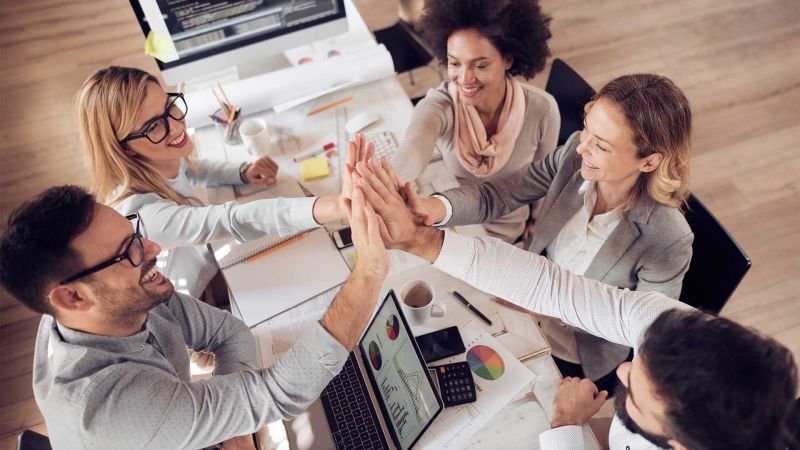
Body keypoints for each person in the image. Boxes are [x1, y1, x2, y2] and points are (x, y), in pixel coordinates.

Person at [351, 159, 798, 450]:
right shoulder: (668, 326)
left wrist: (566, 427)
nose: (623, 369)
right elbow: (553, 288)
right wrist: (423, 240)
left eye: (637, 394)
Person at [0, 183, 387, 449]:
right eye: (127, 251)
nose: (151, 248)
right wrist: (368, 274)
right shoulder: (109, 406)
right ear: (71, 297)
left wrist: (235, 427)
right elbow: (278, 393)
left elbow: (230, 332)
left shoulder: (119, 298)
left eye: (135, 233)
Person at [398, 74, 694, 394]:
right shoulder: (574, 157)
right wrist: (433, 208)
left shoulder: (668, 239)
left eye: (601, 145)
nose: (582, 146)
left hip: (575, 350)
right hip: (521, 298)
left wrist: (542, 304)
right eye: (587, 130)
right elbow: (498, 195)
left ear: (650, 161)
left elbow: (651, 336)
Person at [77, 66, 373, 300]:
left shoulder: (155, 160)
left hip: (206, 266)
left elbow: (190, 170)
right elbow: (232, 219)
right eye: (154, 126)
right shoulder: (146, 218)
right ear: (124, 147)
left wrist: (241, 171)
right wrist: (336, 204)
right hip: (188, 299)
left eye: (170, 107)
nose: (176, 126)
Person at [391, 0, 560, 243]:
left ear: (508, 60)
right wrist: (385, 182)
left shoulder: (542, 110)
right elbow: (414, 148)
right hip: (455, 232)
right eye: (455, 63)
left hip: (510, 240)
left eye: (480, 65)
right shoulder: (441, 105)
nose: (465, 79)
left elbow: (545, 184)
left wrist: (537, 225)